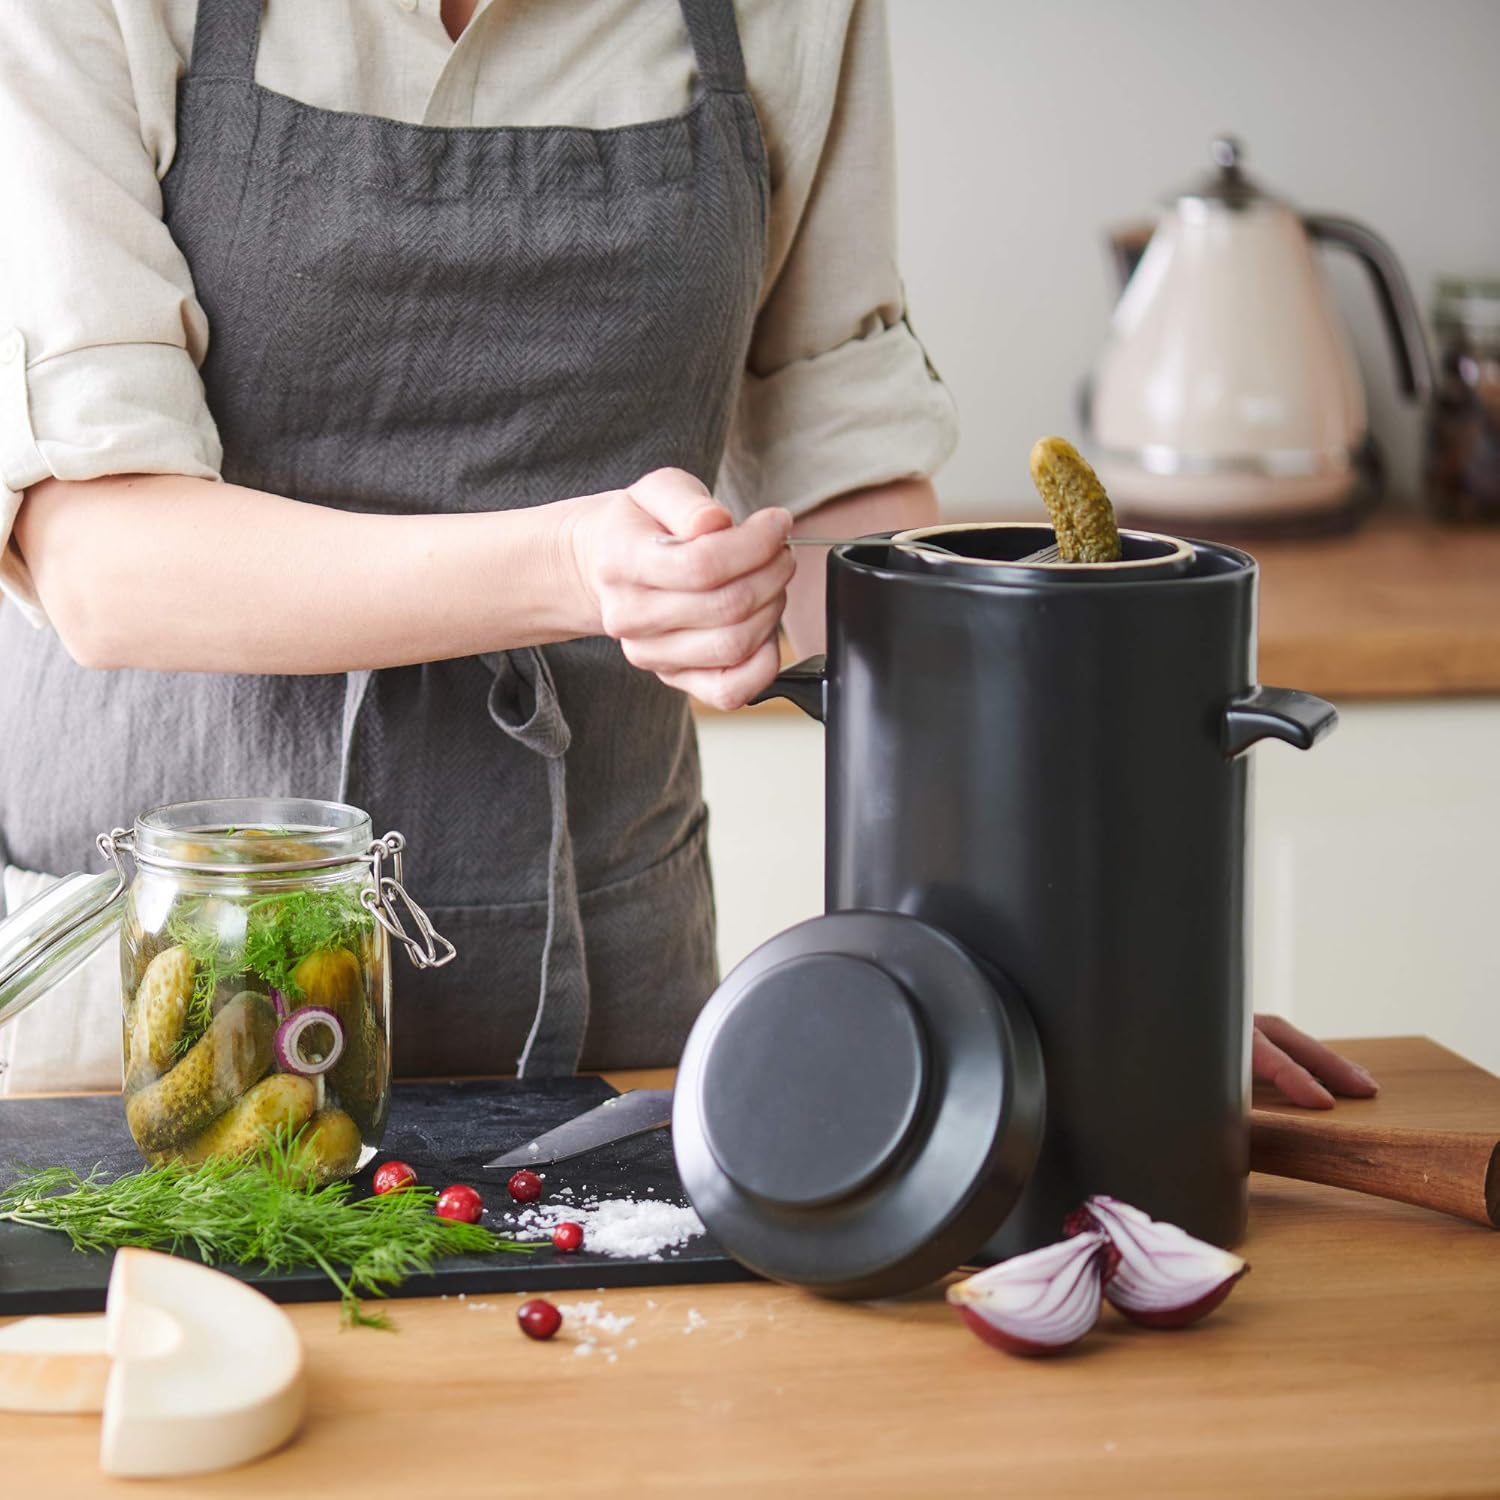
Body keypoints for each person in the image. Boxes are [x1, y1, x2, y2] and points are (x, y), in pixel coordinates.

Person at [0, 0, 1375, 1109]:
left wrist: (1070, 959)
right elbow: (105, 558)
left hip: (605, 999)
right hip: (146, 995)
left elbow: (857, 535)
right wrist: (572, 567)